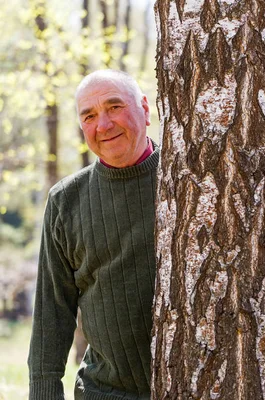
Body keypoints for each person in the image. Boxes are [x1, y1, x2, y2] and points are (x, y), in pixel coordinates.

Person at [28, 70, 158, 399]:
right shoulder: (65, 200)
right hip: (104, 393)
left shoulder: (189, 180)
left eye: (115, 107)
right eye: (89, 115)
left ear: (145, 107)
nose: (103, 125)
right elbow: (51, 312)